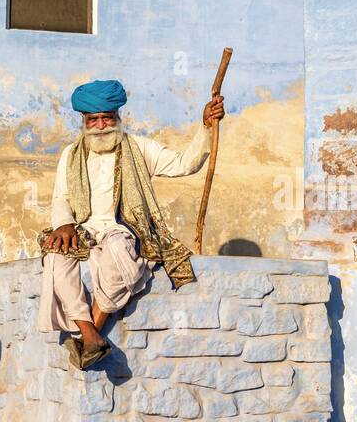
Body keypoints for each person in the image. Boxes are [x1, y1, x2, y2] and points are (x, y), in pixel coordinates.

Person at [37, 79, 225, 369]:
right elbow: (61, 197)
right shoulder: (70, 155)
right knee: (55, 257)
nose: (100, 125)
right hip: (84, 230)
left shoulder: (139, 148)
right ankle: (90, 335)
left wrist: (205, 127)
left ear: (117, 117)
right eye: (93, 119)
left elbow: (185, 164)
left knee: (118, 254)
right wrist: (64, 225)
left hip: (125, 228)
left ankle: (90, 336)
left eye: (106, 118)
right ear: (84, 121)